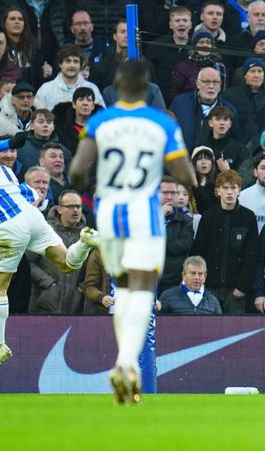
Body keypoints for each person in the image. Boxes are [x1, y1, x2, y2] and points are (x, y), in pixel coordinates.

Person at [69, 60, 196, 404]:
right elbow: (187, 176)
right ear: (147, 87)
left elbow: (77, 172)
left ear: (118, 84)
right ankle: (127, 362)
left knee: (122, 288)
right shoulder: (160, 122)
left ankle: (124, 359)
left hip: (110, 212)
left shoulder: (100, 120)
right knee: (141, 291)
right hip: (145, 213)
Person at [0, 131, 98, 370]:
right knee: (67, 263)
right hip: (32, 217)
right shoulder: (5, 173)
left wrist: (9, 144)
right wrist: (35, 191)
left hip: (8, 223)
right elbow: (28, 193)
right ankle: (84, 241)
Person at [191, 170, 259, 314]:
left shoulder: (248, 217)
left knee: (235, 332)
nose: (229, 192)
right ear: (217, 191)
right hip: (209, 288)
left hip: (236, 290)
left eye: (233, 188)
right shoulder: (208, 217)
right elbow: (198, 252)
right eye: (225, 188)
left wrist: (243, 286)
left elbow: (252, 255)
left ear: (239, 191)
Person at [27, 189, 89, 314]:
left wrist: (81, 288)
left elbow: (94, 269)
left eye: (78, 206)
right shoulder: (44, 231)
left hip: (77, 307)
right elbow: (28, 262)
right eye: (70, 207)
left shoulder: (87, 236)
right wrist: (49, 284)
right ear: (59, 209)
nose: (75, 210)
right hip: (45, 304)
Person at [158, 256, 223, 315]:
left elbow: (220, 326)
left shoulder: (213, 301)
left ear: (205, 277)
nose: (197, 277)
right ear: (183, 275)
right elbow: (158, 324)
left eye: (200, 274)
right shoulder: (167, 296)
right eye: (193, 273)